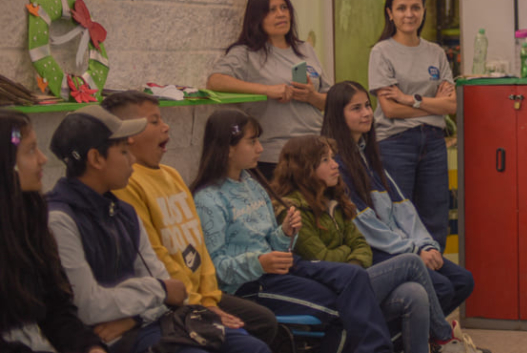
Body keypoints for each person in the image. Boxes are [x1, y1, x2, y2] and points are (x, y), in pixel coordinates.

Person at [46, 105, 264, 353]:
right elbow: (89, 305)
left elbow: (173, 290)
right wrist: (159, 292)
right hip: (106, 337)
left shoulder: (123, 212)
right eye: (123, 151)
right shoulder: (60, 220)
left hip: (149, 321)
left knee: (253, 348)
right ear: (96, 159)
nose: (131, 159)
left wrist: (138, 314)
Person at [191, 109, 394, 353]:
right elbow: (215, 269)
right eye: (252, 141)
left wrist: (285, 233)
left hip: (278, 272)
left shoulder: (252, 184)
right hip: (248, 287)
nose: (260, 149)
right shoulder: (208, 200)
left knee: (354, 278)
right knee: (346, 308)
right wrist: (259, 263)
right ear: (228, 148)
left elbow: (271, 244)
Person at [100, 92, 278, 348]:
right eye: (154, 121)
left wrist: (209, 298)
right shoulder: (127, 183)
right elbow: (157, 257)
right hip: (172, 301)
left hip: (201, 295)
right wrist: (197, 304)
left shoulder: (172, 174)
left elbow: (199, 245)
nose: (166, 127)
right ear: (127, 134)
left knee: (264, 323)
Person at [270, 135, 465, 353]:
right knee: (411, 262)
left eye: (333, 158)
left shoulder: (333, 199)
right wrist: (350, 256)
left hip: (355, 279)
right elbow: (321, 258)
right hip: (329, 289)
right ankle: (443, 337)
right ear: (305, 168)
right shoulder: (293, 210)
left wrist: (352, 263)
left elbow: (361, 245)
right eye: (326, 160)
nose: (335, 165)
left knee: (415, 293)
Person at [322, 81, 474, 319]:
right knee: (442, 288)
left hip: (400, 245)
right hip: (374, 249)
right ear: (337, 114)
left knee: (463, 280)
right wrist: (413, 251)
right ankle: (410, 334)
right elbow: (365, 226)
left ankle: (422, 332)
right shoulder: (336, 164)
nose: (366, 113)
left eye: (367, 106)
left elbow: (404, 209)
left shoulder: (367, 154)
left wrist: (425, 245)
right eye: (356, 108)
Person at [0, 111, 104, 353]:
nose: (43, 159)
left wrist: (89, 347)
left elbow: (57, 308)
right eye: (30, 150)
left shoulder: (31, 219)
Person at [208, 0, 331, 178]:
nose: (281, 14)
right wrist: (267, 90)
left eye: (284, 8)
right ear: (257, 17)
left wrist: (312, 96)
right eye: (272, 10)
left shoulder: (305, 49)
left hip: (317, 151)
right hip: (276, 156)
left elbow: (332, 101)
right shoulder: (245, 53)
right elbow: (215, 82)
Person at [368, 0, 456, 248]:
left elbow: (452, 106)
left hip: (433, 143)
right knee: (398, 216)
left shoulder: (435, 52)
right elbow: (391, 109)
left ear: (424, 11)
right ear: (390, 13)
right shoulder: (381, 52)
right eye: (401, 8)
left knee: (435, 217)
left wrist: (411, 99)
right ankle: (407, 271)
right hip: (395, 143)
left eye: (415, 7)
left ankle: (436, 272)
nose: (409, 14)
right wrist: (432, 103)